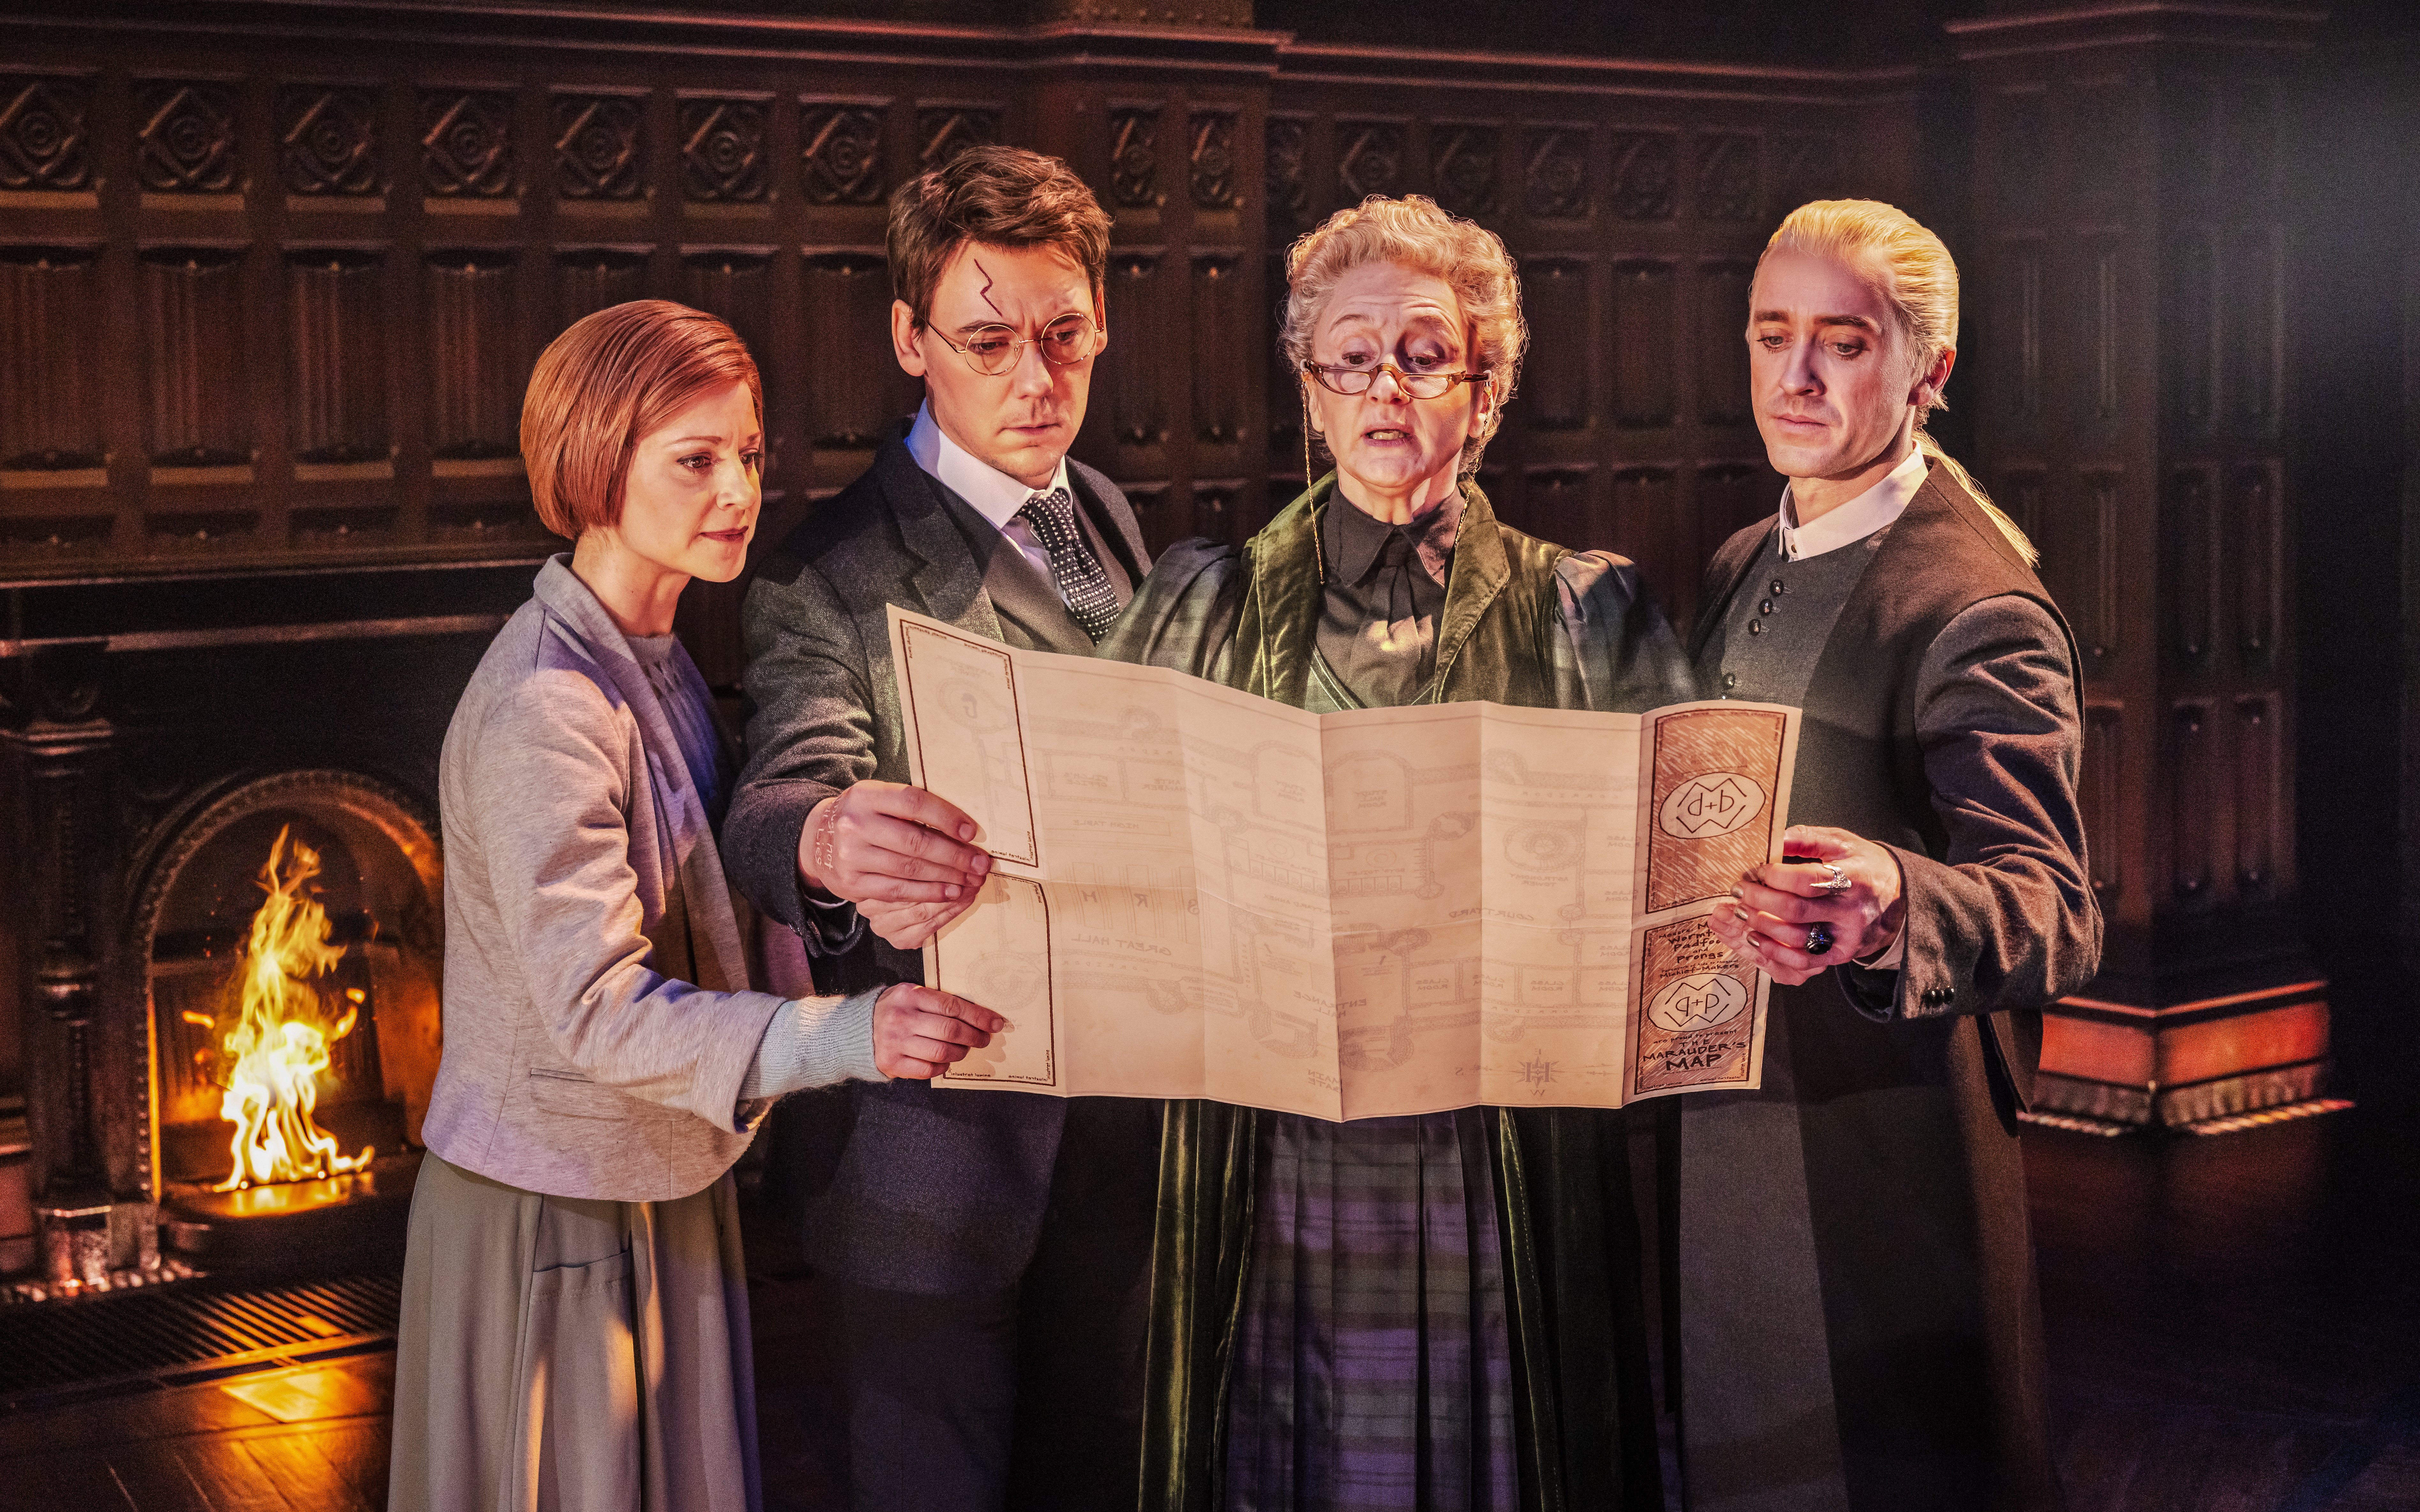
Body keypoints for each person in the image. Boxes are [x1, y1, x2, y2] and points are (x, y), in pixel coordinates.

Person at [1101, 194, 1688, 1512]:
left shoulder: (1588, 610)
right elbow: (1114, 864)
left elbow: (1675, 892)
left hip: (1500, 1154)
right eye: (1350, 356)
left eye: (1425, 355)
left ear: (1486, 394)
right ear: (1310, 392)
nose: (1385, 386)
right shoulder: (1202, 603)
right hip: (1276, 1147)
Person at [389, 300, 1000, 1512]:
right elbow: (598, 1010)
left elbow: (710, 907)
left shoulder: (650, 659)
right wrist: (849, 1037)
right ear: (594, 461)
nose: (739, 491)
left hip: (657, 1187)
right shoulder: (546, 709)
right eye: (695, 460)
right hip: (554, 1221)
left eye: (749, 455)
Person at [720, 147, 1160, 1512]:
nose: (1038, 381)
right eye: (988, 342)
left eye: (1065, 336)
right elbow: (772, 802)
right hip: (934, 1170)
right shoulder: (824, 570)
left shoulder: (1108, 514)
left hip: (1132, 1144)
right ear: (912, 338)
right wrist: (828, 843)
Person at [1679, 200, 2100, 1511]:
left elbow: (2057, 907)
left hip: (1886, 1164)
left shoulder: (1974, 602)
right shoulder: (1746, 557)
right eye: (1772, 335)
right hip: (1728, 1131)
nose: (1796, 378)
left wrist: (1893, 899)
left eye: (1844, 344)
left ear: (1930, 372)